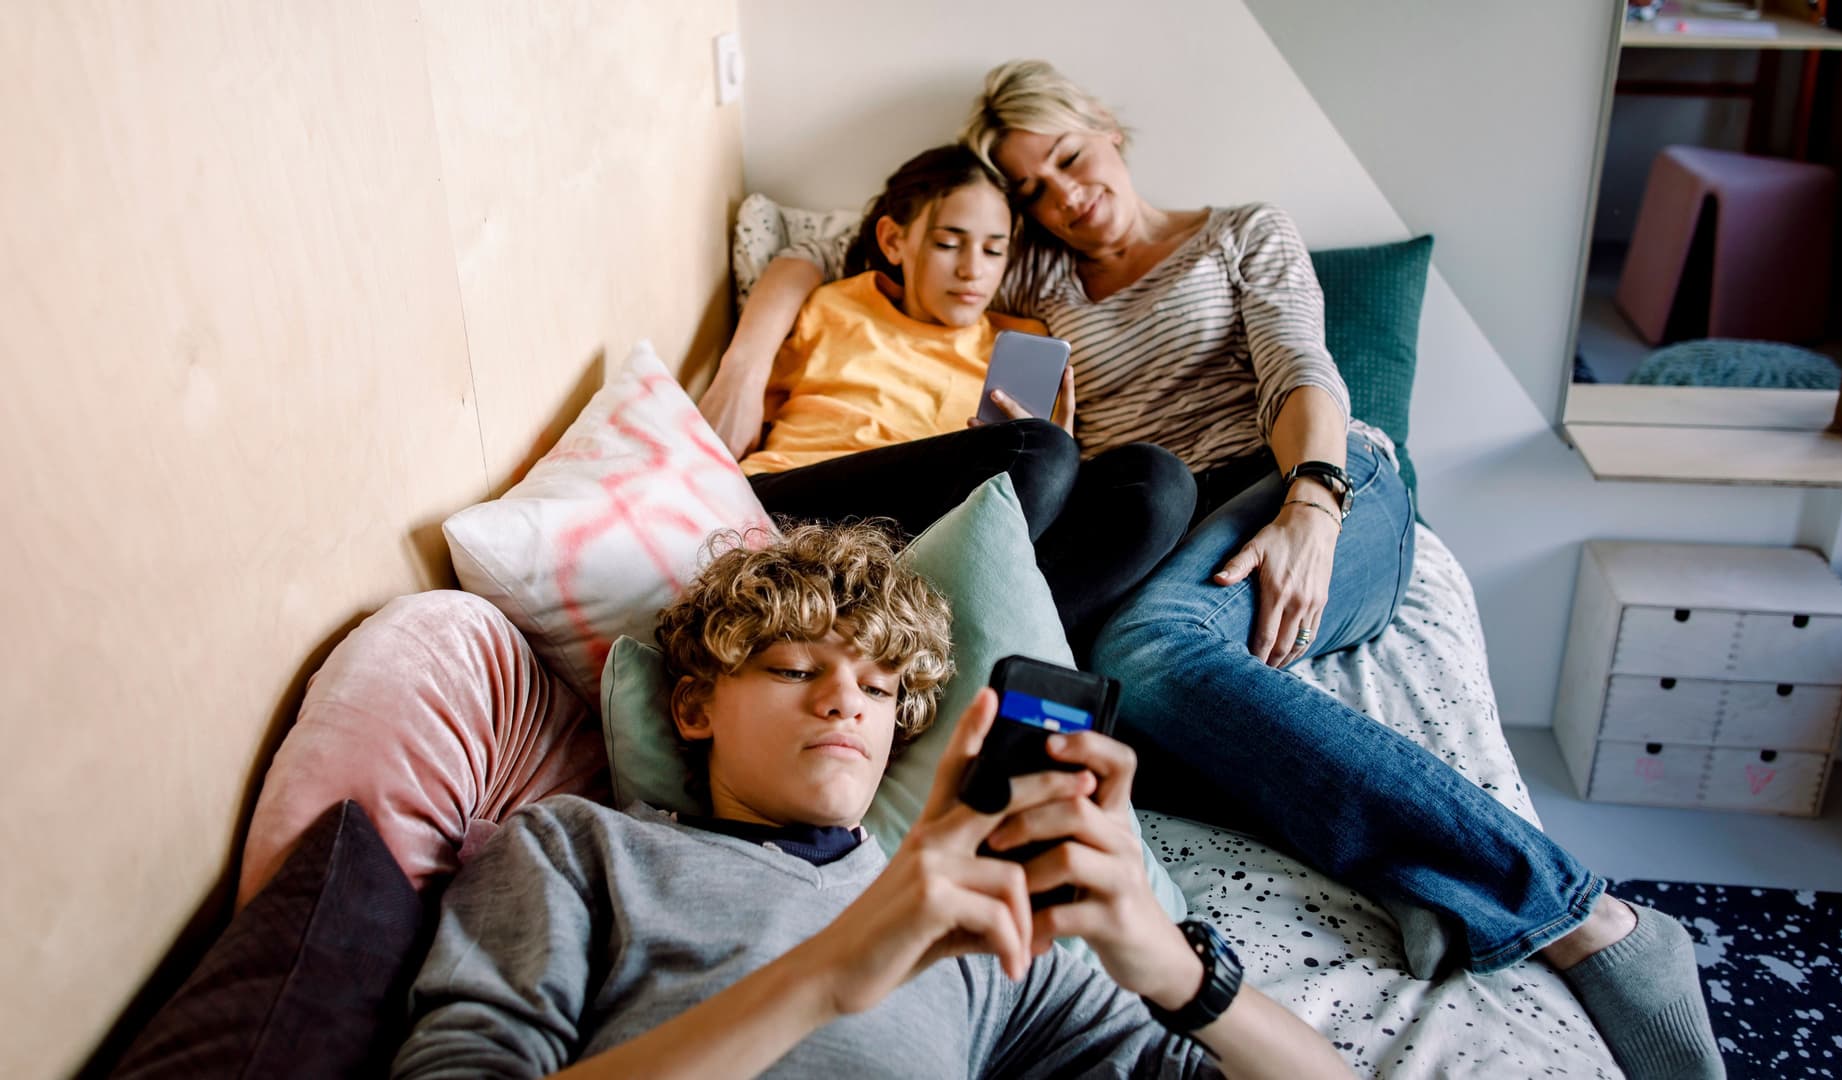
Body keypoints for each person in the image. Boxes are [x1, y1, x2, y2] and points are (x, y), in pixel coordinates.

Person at [703, 60, 1722, 1080]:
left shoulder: (1239, 233)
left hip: (1314, 480)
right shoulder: (1035, 277)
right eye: (1034, 191)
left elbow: (1300, 369)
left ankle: (1589, 918)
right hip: (1176, 525)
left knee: (1146, 655)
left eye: (1071, 159)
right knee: (1103, 695)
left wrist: (1313, 502)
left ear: (1107, 129)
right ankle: (1419, 874)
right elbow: (814, 254)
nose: (1064, 198)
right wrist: (746, 362)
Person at [389, 523, 1354, 1079]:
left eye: (881, 688)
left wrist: (1174, 968)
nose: (845, 699)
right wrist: (828, 973)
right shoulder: (579, 848)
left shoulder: (982, 935)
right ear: (693, 707)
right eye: (793, 668)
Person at [707, 144, 1193, 650]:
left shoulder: (1021, 344)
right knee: (1041, 452)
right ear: (894, 240)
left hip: (923, 548)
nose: (972, 270)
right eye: (948, 244)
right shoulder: (832, 305)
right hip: (795, 508)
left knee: (1159, 482)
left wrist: (1057, 464)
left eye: (993, 251)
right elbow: (748, 418)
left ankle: (939, 645)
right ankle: (950, 641)